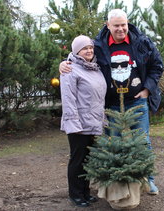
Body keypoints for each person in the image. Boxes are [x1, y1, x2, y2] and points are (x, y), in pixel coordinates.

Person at [59, 9, 164, 195]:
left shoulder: (142, 42)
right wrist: (65, 62)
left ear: (127, 23)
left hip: (137, 102)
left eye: (123, 24)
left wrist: (147, 88)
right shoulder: (98, 45)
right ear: (108, 25)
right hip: (109, 106)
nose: (121, 29)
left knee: (143, 142)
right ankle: (113, 184)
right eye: (116, 25)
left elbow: (157, 65)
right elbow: (82, 56)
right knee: (111, 145)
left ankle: (149, 180)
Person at [60, 35, 107, 207]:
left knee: (87, 160)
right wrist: (73, 124)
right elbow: (68, 99)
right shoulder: (70, 70)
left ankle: (85, 192)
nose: (89, 51)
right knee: (77, 159)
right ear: (76, 51)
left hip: (93, 122)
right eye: (84, 48)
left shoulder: (95, 68)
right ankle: (75, 194)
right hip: (78, 124)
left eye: (90, 48)